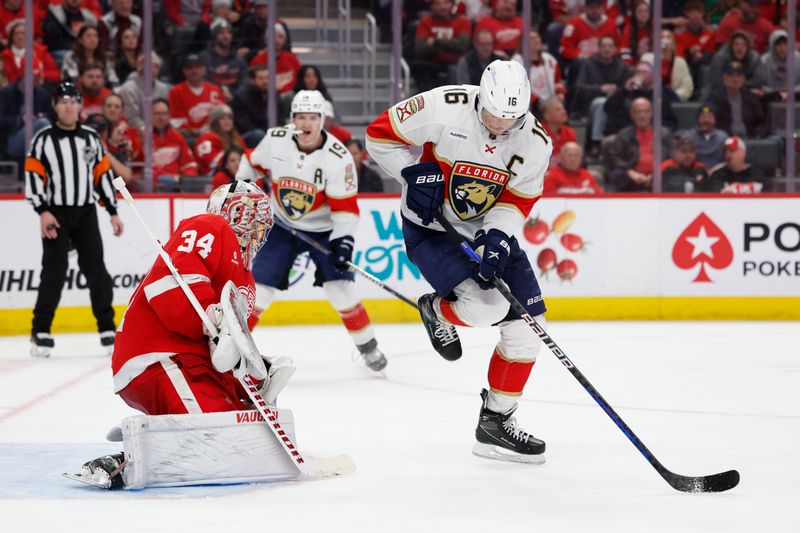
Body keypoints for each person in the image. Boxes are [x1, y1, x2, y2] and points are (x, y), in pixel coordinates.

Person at [366, 60, 551, 463]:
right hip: (431, 229)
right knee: (487, 308)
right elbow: (378, 135)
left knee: (528, 331)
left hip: (483, 228)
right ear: (481, 98)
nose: (501, 127)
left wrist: (497, 237)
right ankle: (435, 310)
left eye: (511, 120)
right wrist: (411, 173)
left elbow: (519, 199)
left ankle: (495, 424)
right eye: (493, 115)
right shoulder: (443, 105)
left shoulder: (536, 141)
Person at [76, 181, 297, 489]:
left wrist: (254, 374)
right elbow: (167, 290)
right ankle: (129, 459)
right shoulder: (210, 226)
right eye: (252, 220)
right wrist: (213, 318)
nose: (257, 232)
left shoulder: (245, 279)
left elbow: (222, 349)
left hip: (192, 364)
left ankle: (154, 432)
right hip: (158, 356)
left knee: (237, 434)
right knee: (214, 440)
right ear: (234, 212)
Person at [237, 90, 388, 372]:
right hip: (280, 225)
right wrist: (245, 187)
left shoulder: (337, 157)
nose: (306, 124)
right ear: (292, 119)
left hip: (323, 229)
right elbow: (251, 163)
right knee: (260, 290)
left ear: (323, 120)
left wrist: (343, 243)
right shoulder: (276, 139)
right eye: (301, 117)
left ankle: (368, 346)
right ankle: (235, 348)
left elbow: (345, 210)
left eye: (313, 117)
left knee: (341, 289)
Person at [24, 82, 124, 358]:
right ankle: (40, 330)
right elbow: (33, 177)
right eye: (63, 101)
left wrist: (112, 211)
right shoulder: (43, 140)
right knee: (53, 272)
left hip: (85, 211)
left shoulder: (91, 138)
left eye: (73, 101)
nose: (69, 106)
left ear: (80, 106)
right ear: (55, 106)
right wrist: (43, 211)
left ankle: (107, 327)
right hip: (55, 212)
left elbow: (101, 176)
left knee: (96, 270)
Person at [606, 97, 673, 191]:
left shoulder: (664, 133)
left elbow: (671, 157)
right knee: (618, 174)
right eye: (638, 112)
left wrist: (656, 174)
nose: (642, 115)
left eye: (646, 111)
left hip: (659, 175)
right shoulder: (624, 134)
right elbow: (614, 157)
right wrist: (630, 172)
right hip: (632, 176)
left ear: (651, 113)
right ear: (632, 114)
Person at [412, 0, 471, 92]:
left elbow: (462, 46)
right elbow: (420, 49)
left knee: (456, 69)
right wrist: (450, 45)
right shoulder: (425, 22)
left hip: (456, 64)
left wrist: (435, 41)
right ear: (432, 6)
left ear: (452, 4)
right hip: (431, 65)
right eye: (438, 3)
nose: (442, 7)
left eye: (446, 3)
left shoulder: (463, 22)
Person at [705, 60, 768, 138]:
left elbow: (761, 123)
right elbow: (711, 123)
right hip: (724, 140)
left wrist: (757, 135)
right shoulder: (714, 98)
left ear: (743, 79)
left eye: (738, 75)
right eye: (731, 75)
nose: (735, 79)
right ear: (725, 78)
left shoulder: (751, 97)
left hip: (749, 139)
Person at [194, 104, 245, 175]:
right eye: (222, 118)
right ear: (215, 122)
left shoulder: (237, 138)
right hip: (214, 176)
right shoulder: (207, 138)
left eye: (229, 118)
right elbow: (211, 163)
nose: (227, 121)